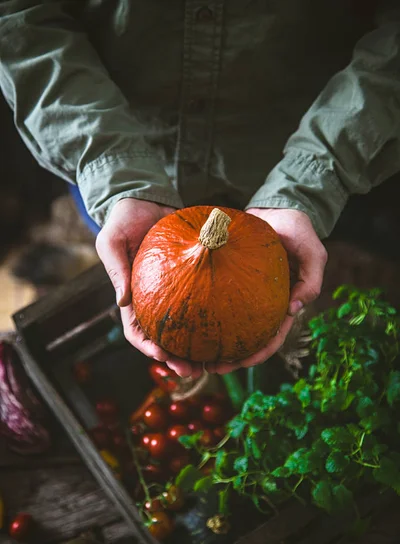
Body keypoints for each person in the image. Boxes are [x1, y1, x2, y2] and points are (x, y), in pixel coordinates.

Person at [0, 0, 399, 378]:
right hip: (116, 144)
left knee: (298, 262)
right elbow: (20, 15)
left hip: (296, 150)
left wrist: (313, 181)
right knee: (115, 239)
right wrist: (113, 176)